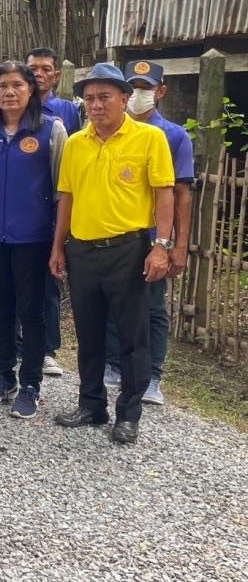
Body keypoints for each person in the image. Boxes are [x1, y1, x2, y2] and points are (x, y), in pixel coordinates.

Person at [50, 63, 175, 445]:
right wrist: (58, 245)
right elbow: (66, 198)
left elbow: (165, 193)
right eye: (89, 98)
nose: (97, 104)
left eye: (105, 96)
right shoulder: (75, 142)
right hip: (84, 251)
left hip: (129, 250)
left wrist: (161, 246)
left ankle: (128, 414)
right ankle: (91, 404)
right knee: (88, 332)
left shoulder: (149, 138)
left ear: (124, 99)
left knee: (131, 336)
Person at [0, 62, 66, 420]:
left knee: (32, 311)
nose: (9, 92)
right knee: (1, 309)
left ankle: (30, 383)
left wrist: (59, 242)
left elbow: (62, 190)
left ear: (31, 90)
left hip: (35, 238)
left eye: (16, 85)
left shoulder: (51, 130)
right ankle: (3, 375)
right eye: (1, 86)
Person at [103, 60, 194, 406]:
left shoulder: (172, 135)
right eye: (133, 87)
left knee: (153, 307)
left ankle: (153, 375)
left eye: (146, 87)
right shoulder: (106, 131)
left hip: (156, 237)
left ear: (161, 91)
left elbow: (182, 193)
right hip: (116, 234)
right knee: (113, 301)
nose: (139, 94)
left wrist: (177, 244)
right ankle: (113, 366)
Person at [26, 46, 82, 377]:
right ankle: (20, 342)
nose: (39, 74)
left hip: (53, 207)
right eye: (33, 68)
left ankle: (48, 348)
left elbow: (72, 160)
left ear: (56, 75)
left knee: (48, 281)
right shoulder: (15, 105)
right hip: (21, 209)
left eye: (46, 69)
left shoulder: (67, 112)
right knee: (19, 282)